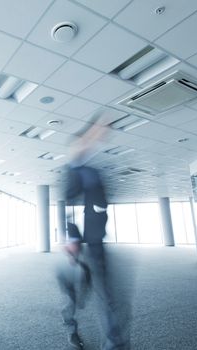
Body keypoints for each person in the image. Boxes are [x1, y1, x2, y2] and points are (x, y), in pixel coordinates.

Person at [64, 121, 130, 350]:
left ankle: (114, 344)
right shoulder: (73, 170)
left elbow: (101, 204)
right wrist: (72, 238)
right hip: (79, 245)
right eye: (93, 135)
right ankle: (71, 327)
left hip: (95, 242)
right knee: (76, 295)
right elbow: (69, 205)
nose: (98, 139)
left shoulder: (94, 171)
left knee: (106, 295)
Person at [56, 220, 92, 349]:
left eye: (76, 244)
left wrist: (83, 295)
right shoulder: (63, 261)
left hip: (78, 275)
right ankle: (72, 334)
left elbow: (87, 278)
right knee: (68, 308)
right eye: (72, 244)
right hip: (68, 281)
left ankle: (73, 332)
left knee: (70, 305)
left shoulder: (83, 262)